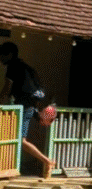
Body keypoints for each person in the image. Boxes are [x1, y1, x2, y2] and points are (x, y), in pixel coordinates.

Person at [0, 42, 56, 178]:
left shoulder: (13, 67)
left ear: (10, 54)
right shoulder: (23, 66)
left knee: (20, 140)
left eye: (2, 54)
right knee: (14, 138)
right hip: (28, 106)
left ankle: (47, 161)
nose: (0, 57)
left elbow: (7, 88)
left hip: (23, 108)